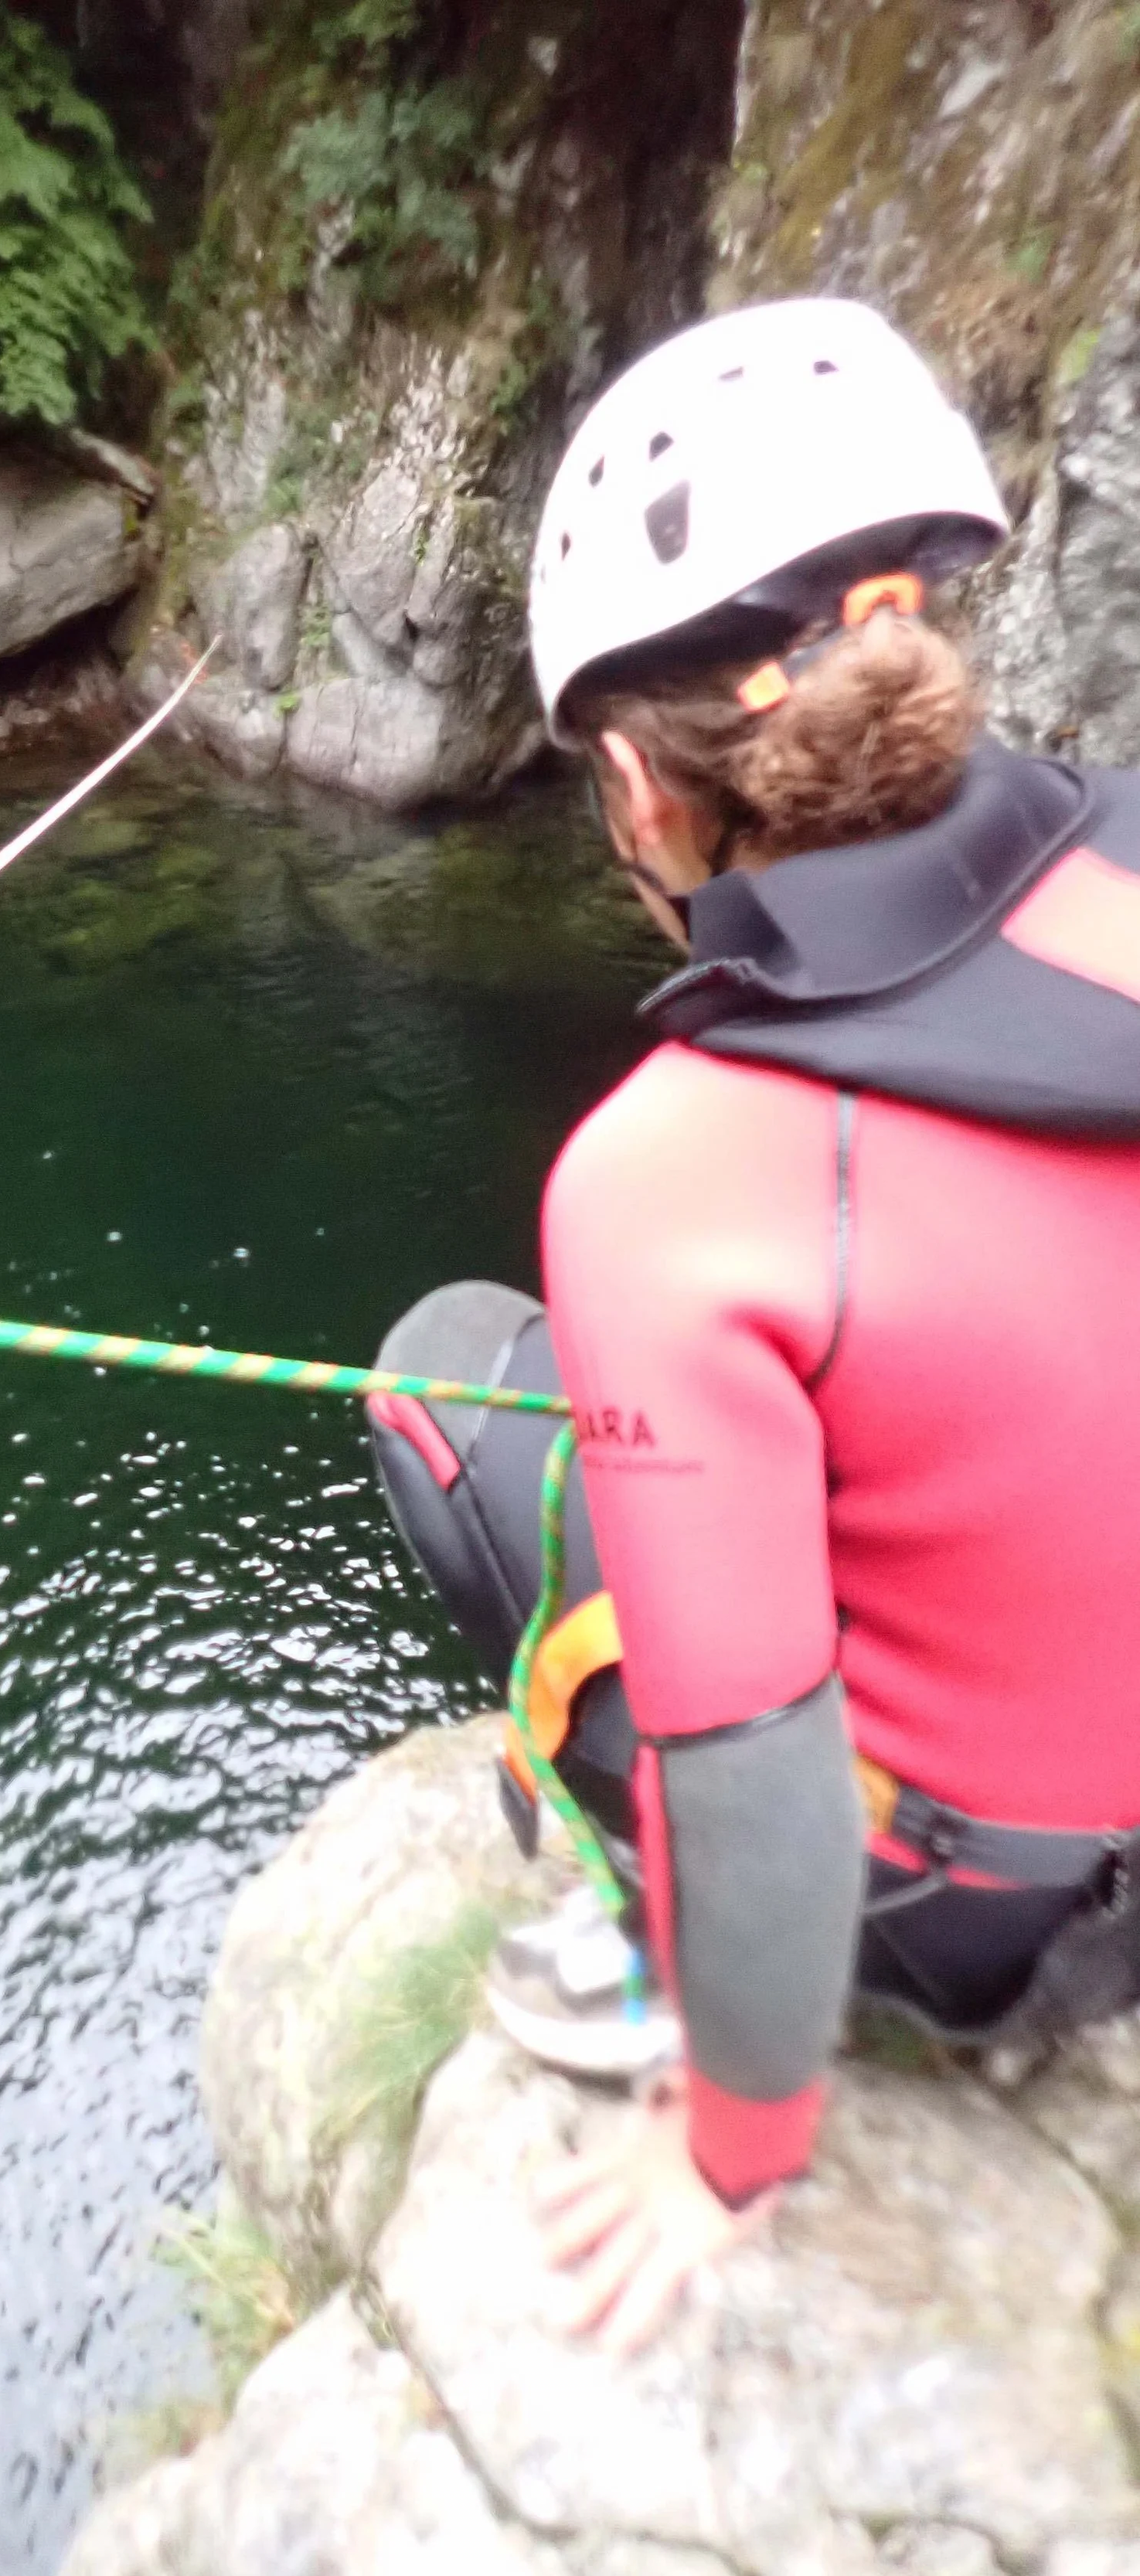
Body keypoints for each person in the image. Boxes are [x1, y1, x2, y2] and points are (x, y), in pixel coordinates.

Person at [369, 295, 1140, 2355]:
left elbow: (762, 1772)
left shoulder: (675, 1178)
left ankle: (657, 1962)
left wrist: (730, 2143)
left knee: (444, 1375)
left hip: (998, 1929)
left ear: (634, 785)